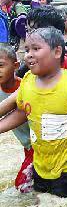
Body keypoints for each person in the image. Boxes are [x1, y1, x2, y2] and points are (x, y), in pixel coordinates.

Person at [0, 27, 67, 197]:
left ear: (57, 51)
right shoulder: (28, 80)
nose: (28, 54)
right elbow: (24, 111)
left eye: (36, 49)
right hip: (41, 164)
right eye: (27, 50)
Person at [0, 43, 33, 192]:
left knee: (22, 186)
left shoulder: (26, 88)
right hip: (28, 147)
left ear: (16, 66)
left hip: (40, 145)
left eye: (0, 65)